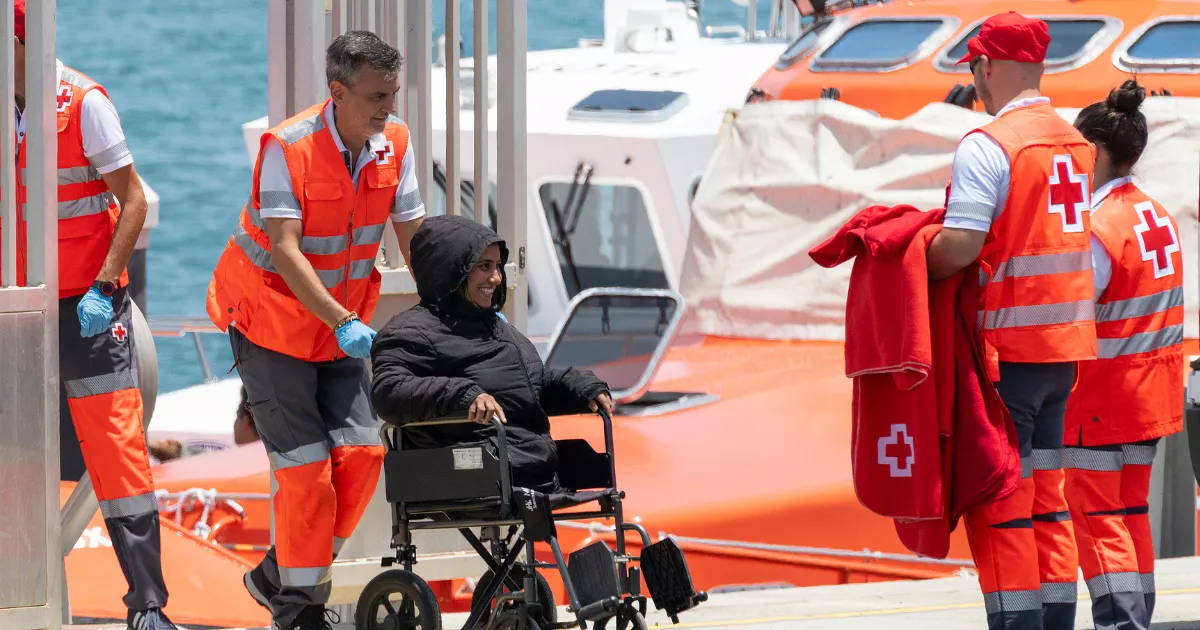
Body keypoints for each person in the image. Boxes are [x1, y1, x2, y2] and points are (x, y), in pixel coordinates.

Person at [204, 30, 426, 630]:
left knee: (362, 454)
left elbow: (415, 240)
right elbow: (284, 250)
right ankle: (301, 613)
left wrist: (459, 299)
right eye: (377, 96)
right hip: (271, 325)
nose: (388, 109)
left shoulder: (394, 144)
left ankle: (278, 578)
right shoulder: (289, 147)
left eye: (393, 95)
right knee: (305, 470)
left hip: (336, 331)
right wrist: (346, 321)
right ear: (338, 91)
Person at [3, 3, 179, 628]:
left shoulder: (83, 102)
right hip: (14, 303)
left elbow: (131, 199)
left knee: (116, 449)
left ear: (19, 40)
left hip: (86, 303)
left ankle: (148, 606)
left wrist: (106, 288)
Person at [926, 11, 1097, 630]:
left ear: (986, 66)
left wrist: (915, 258)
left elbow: (963, 244)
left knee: (1003, 503)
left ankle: (1016, 622)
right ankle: (1054, 621)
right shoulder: (1075, 142)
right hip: (1064, 352)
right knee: (1047, 499)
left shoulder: (988, 144)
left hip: (1008, 356)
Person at [370, 214, 613, 494]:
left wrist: (579, 385)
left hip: (535, 472)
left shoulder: (499, 327)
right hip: (476, 475)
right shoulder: (408, 332)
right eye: (484, 267)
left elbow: (531, 383)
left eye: (497, 266)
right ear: (453, 269)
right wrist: (463, 394)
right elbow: (389, 392)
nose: (496, 278)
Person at [1063, 79, 1181, 630]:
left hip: (1100, 401)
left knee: (1096, 516)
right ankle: (1139, 617)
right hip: (1149, 398)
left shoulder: (1097, 229)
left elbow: (1071, 311)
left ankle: (1120, 623)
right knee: (1132, 513)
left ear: (1095, 151)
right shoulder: (1155, 215)